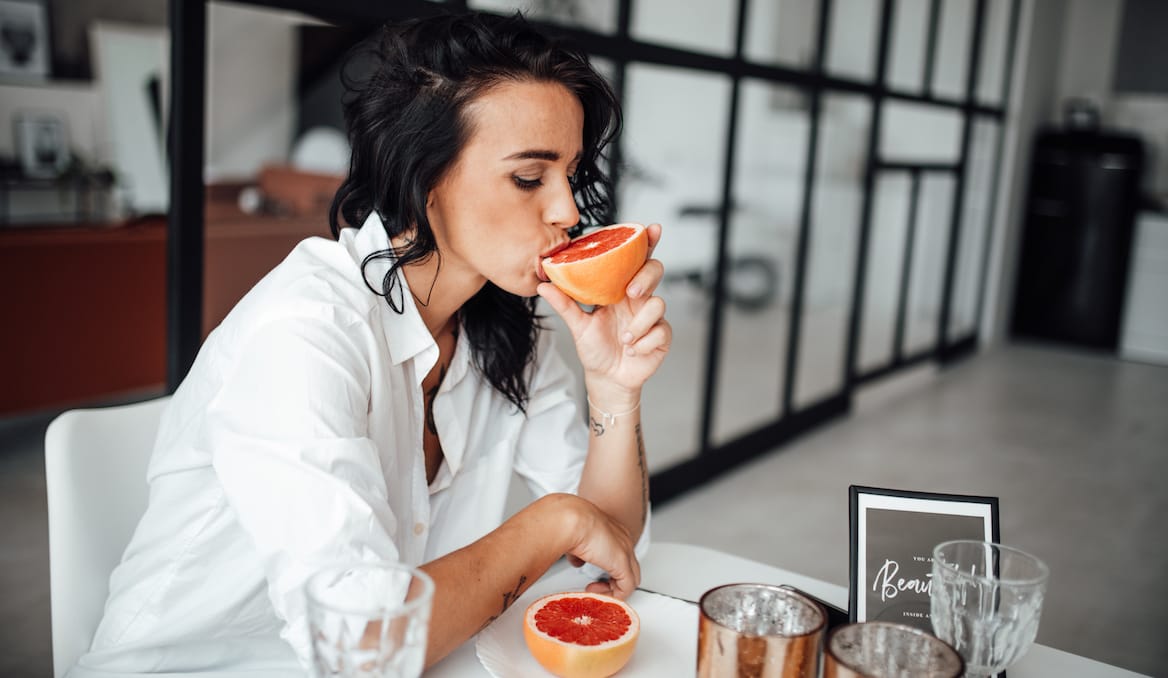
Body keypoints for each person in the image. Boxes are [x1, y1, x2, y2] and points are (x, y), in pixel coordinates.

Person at [71, 10, 670, 677]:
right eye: (529, 178)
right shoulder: (304, 333)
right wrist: (552, 522)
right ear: (424, 177)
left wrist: (614, 388)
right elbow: (364, 644)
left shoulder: (500, 327)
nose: (569, 211)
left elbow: (616, 542)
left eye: (571, 173)